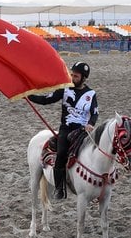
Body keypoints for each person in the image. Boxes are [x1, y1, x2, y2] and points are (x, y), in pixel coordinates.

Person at [27, 62, 98, 199]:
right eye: (71, 74)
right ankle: (60, 188)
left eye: (76, 76)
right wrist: (29, 96)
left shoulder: (91, 94)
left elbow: (94, 113)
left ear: (84, 78)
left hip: (83, 130)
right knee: (61, 155)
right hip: (66, 129)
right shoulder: (65, 89)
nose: (72, 77)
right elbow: (47, 99)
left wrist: (91, 123)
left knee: (96, 151)